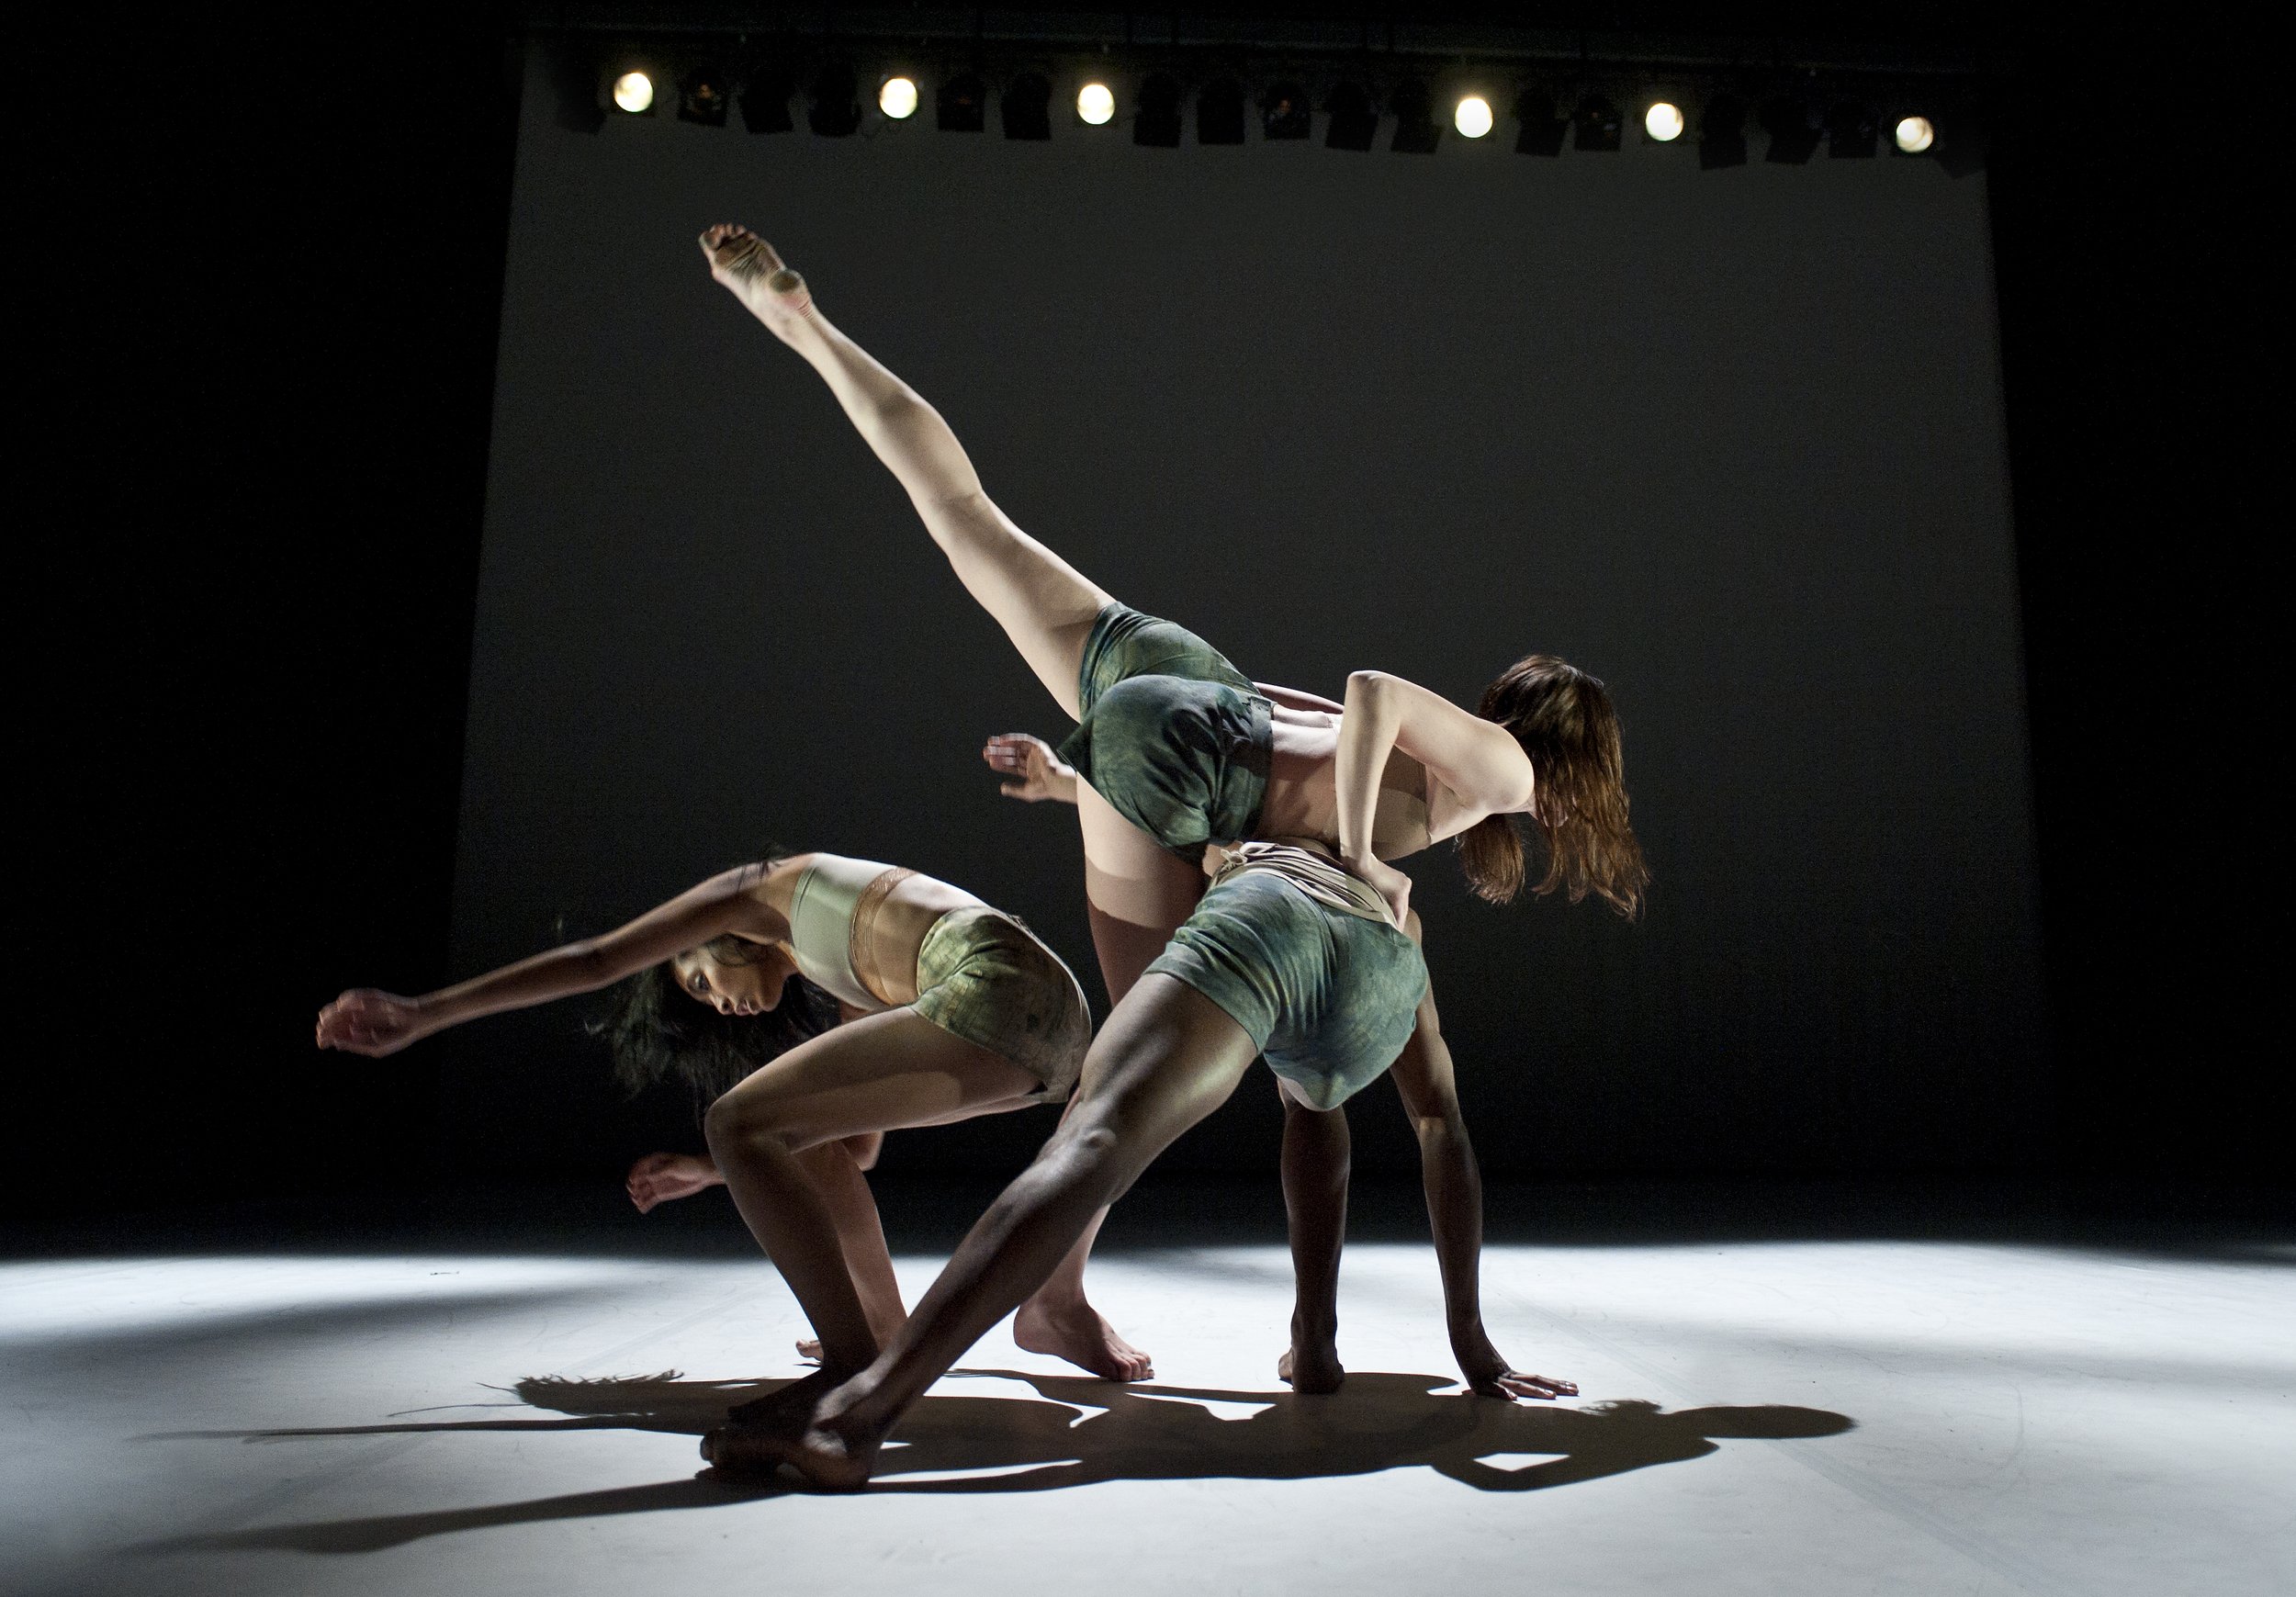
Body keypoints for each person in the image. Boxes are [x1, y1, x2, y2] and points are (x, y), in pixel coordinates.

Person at [692, 225, 1648, 1488]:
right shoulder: (1506, 773)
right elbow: (1363, 693)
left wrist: (1083, 770)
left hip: (1181, 682)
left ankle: (805, 326)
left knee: (964, 513)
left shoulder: (1461, 777)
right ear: (1572, 757)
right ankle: (1040, 1305)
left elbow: (1289, 704)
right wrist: (1360, 857)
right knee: (1102, 1099)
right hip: (1193, 756)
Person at [314, 848, 1157, 1414]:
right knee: (766, 1134)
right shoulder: (853, 971)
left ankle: (847, 1361)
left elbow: (601, 959)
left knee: (737, 1117)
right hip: (1046, 1037)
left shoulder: (765, 886)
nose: (718, 1000)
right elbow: (851, 1154)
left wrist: (427, 1013)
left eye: (697, 977)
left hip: (1000, 989)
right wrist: (716, 1169)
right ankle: (888, 1331)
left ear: (712, 937)